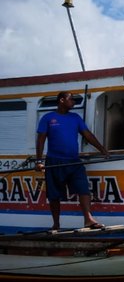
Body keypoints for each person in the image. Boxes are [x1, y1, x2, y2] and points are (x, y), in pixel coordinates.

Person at [35, 91, 110, 230]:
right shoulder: (48, 118)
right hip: (54, 162)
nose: (73, 102)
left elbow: (87, 135)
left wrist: (102, 150)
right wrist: (39, 161)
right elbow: (41, 139)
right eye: (71, 99)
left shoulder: (75, 118)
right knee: (54, 195)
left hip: (74, 161)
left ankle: (88, 219)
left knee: (83, 189)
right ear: (62, 100)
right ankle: (56, 224)